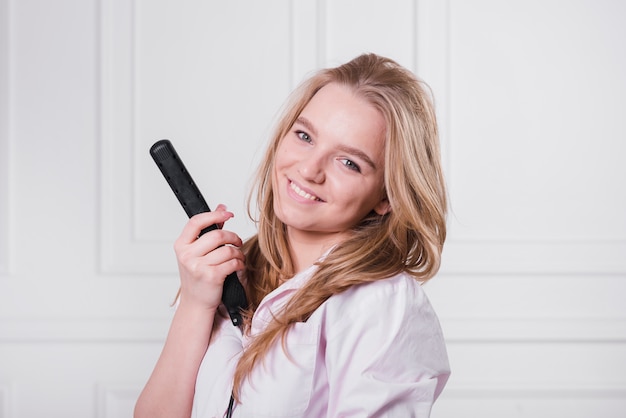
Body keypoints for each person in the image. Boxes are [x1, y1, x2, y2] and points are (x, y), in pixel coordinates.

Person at [135, 53, 450, 418]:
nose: (309, 169)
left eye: (349, 162)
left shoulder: (380, 304)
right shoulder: (233, 274)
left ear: (387, 196)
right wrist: (195, 303)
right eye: (304, 136)